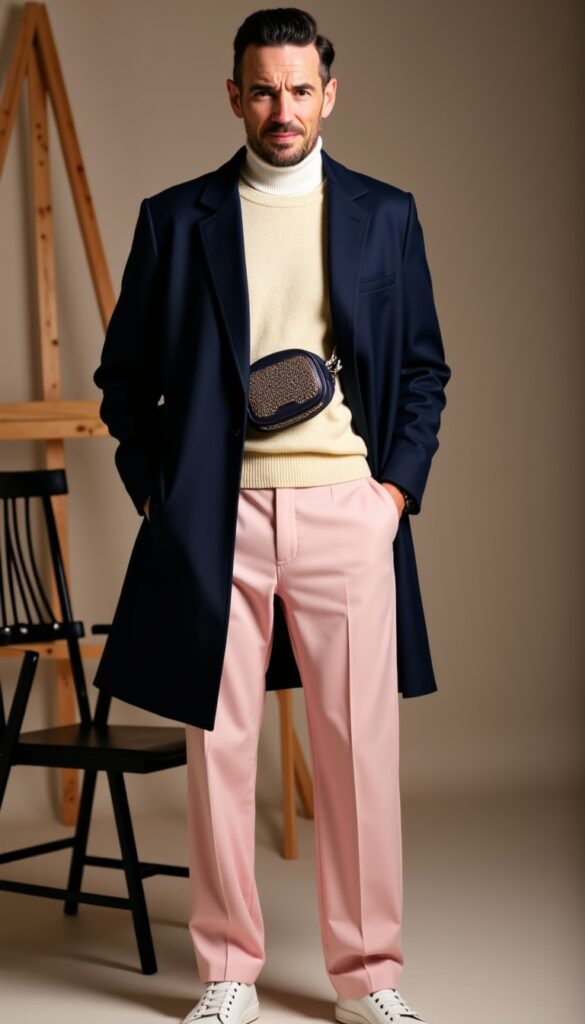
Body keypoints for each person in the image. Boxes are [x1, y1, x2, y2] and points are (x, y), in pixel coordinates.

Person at [93, 8, 450, 1024]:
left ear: (328, 95)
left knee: (359, 753)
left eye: (299, 90)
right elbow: (122, 384)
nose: (281, 109)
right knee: (220, 750)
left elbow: (422, 371)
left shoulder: (385, 214)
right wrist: (162, 497)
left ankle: (371, 975)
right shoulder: (176, 219)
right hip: (219, 520)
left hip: (347, 512)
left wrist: (392, 496)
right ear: (234, 96)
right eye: (262, 90)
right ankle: (228, 971)